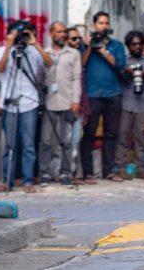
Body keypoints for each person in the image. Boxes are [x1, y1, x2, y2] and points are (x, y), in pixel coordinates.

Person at [0, 20, 53, 193]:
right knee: (10, 145)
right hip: (9, 102)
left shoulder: (33, 51)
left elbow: (49, 64)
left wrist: (36, 45)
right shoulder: (1, 51)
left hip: (30, 101)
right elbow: (1, 69)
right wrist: (9, 45)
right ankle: (8, 181)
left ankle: (28, 181)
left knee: (28, 144)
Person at [81, 11, 126, 182]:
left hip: (112, 93)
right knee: (89, 133)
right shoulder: (87, 44)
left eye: (106, 23)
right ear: (94, 25)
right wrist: (90, 47)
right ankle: (88, 172)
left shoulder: (116, 45)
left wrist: (103, 50)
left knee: (111, 133)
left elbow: (119, 64)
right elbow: (81, 64)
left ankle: (109, 170)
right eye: (101, 23)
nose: (104, 26)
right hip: (93, 94)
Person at [39, 22, 82, 187]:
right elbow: (39, 76)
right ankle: (44, 173)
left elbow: (76, 78)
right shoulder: (44, 52)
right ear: (51, 33)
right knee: (45, 140)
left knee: (66, 140)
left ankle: (65, 173)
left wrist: (75, 100)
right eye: (58, 32)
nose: (62, 35)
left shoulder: (73, 53)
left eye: (64, 32)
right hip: (49, 102)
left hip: (67, 101)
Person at [116, 30, 144, 179]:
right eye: (133, 44)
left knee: (141, 139)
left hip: (143, 104)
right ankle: (120, 168)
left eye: (139, 44)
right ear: (128, 45)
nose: (136, 46)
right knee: (122, 136)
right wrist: (126, 73)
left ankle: (142, 169)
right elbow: (117, 75)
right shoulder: (123, 59)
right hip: (126, 102)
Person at [66, 27, 91, 183]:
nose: (77, 42)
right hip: (61, 106)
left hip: (78, 106)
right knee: (60, 141)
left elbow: (81, 87)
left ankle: (72, 173)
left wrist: (84, 108)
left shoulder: (78, 56)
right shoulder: (62, 58)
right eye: (73, 39)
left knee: (75, 142)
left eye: (79, 39)